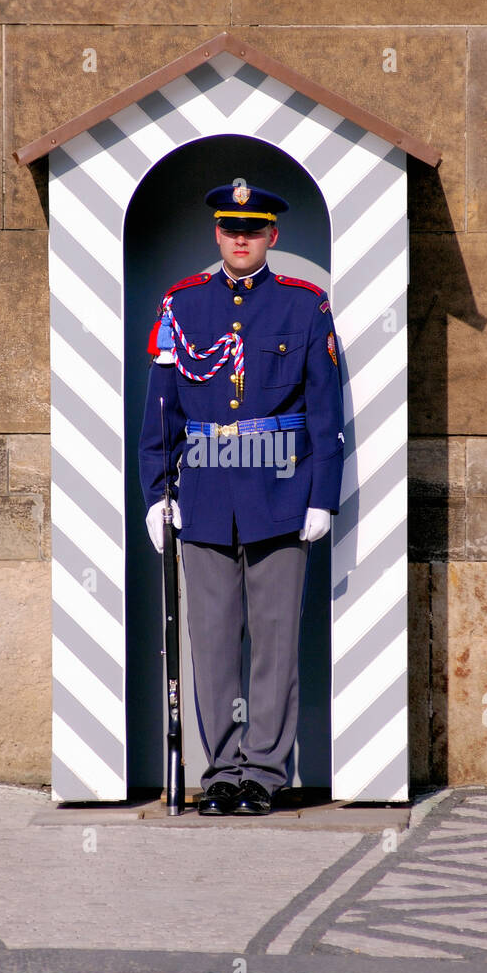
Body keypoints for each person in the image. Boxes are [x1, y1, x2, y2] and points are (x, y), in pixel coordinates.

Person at [138, 181, 344, 816]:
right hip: (201, 494)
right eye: (231, 228)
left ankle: (264, 773)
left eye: (253, 229)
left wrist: (322, 497)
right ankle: (223, 771)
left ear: (272, 236)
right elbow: (162, 411)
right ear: (216, 234)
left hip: (280, 494)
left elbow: (324, 412)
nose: (241, 238)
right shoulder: (181, 306)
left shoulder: (305, 308)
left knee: (277, 645)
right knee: (214, 644)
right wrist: (155, 492)